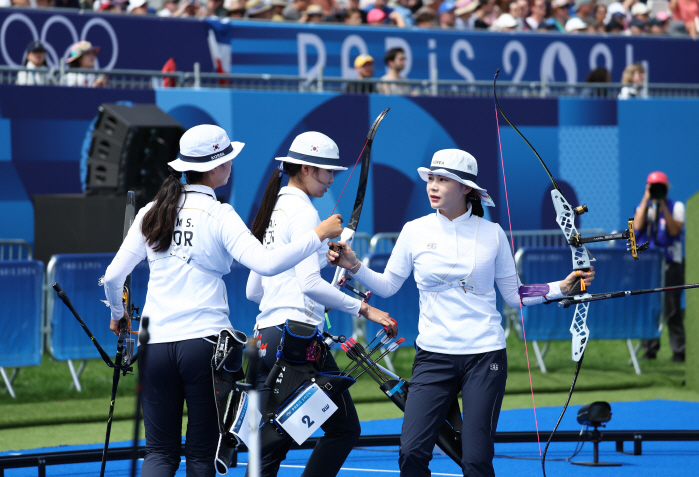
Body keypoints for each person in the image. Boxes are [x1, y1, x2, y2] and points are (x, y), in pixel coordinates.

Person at [327, 149, 595, 477]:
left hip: (485, 357)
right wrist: (354, 265)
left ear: (466, 188)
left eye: (443, 180)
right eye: (431, 179)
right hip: (433, 358)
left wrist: (561, 287)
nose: (433, 186)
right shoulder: (414, 230)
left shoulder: (492, 233)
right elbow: (387, 286)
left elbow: (515, 294)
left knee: (475, 459)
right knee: (411, 452)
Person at [102, 125, 343, 476]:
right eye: (228, 159)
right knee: (202, 454)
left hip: (154, 346)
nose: (231, 166)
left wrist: (118, 313)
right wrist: (318, 234)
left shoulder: (151, 211)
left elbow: (112, 277)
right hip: (204, 347)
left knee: (159, 453)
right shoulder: (220, 214)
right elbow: (267, 263)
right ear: (217, 167)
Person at [245, 132, 398, 477]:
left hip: (270, 337)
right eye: (327, 171)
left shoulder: (275, 210)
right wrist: (366, 310)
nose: (332, 179)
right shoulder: (302, 212)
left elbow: (255, 290)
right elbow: (308, 284)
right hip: (296, 344)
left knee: (275, 442)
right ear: (306, 168)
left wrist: (321, 279)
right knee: (288, 441)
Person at [634, 171, 686, 362]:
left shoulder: (676, 207)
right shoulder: (644, 208)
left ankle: (679, 351)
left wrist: (662, 205)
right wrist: (647, 199)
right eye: (652, 187)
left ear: (667, 188)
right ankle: (650, 349)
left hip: (671, 264)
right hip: (650, 266)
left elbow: (674, 230)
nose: (656, 190)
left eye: (659, 187)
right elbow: (637, 227)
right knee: (649, 308)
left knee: (672, 309)